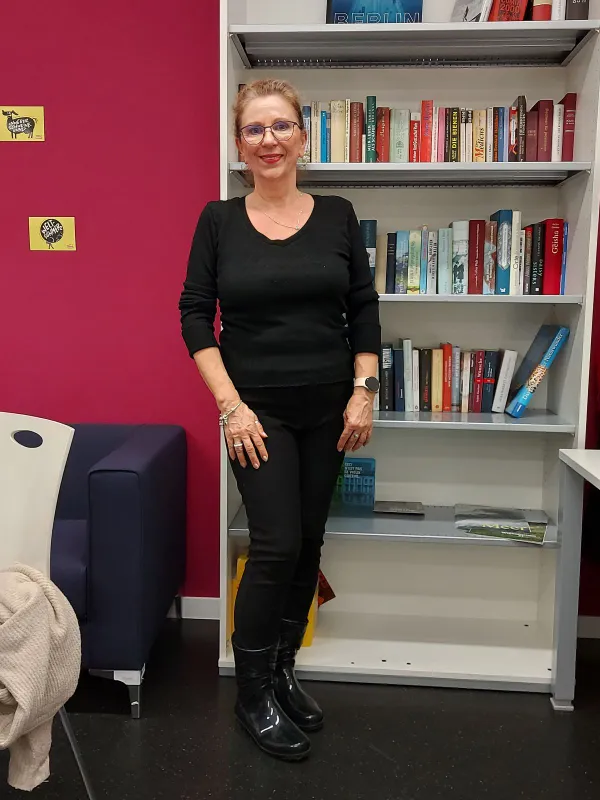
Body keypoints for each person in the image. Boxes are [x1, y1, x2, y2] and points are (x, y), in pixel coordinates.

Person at [179, 79, 381, 761]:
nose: (269, 140)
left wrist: (364, 390)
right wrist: (230, 407)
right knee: (276, 545)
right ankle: (252, 692)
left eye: (281, 126)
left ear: (302, 136)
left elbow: (364, 308)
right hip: (256, 412)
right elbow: (193, 315)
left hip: (331, 408)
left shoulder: (338, 214)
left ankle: (283, 670)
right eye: (254, 129)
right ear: (239, 145)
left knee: (309, 542)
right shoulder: (218, 220)